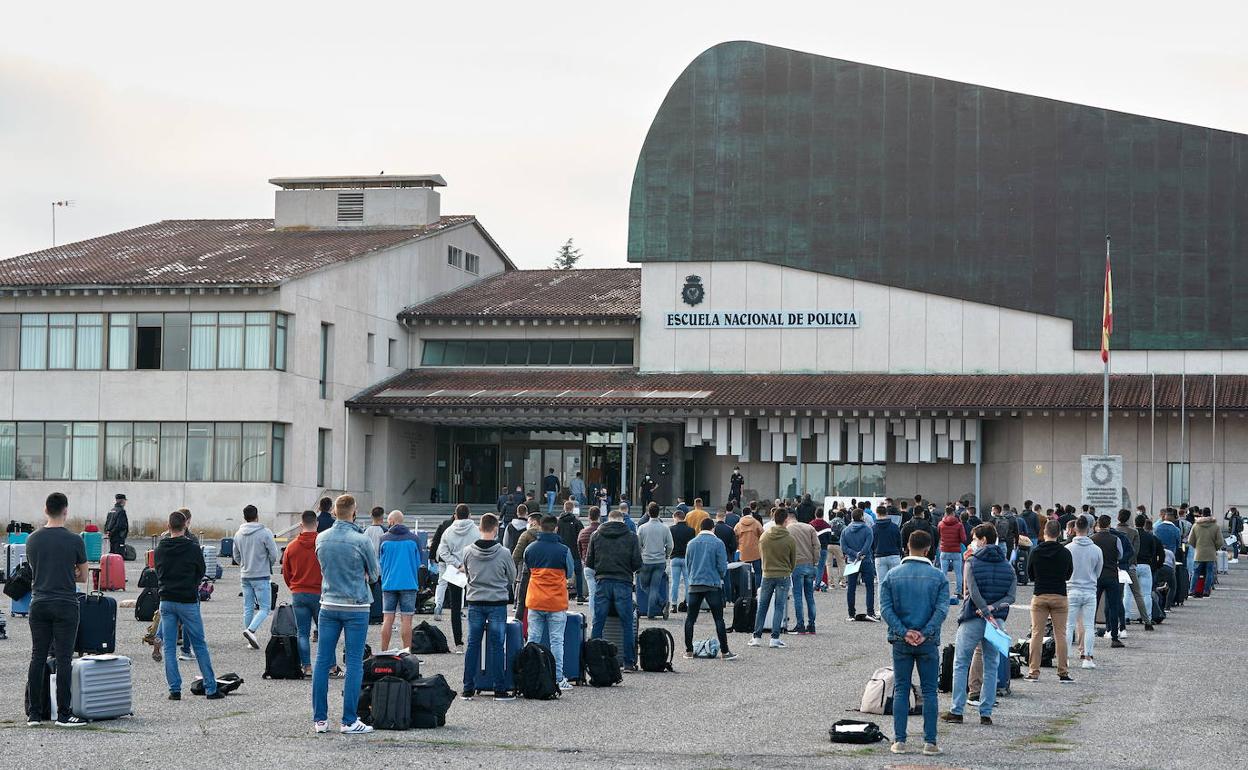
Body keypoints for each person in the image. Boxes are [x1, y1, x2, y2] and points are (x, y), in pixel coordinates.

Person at [312, 494, 379, 734]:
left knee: (322, 661)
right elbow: (374, 574)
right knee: (353, 663)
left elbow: (323, 567)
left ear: (333, 512)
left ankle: (320, 720)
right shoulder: (361, 540)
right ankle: (349, 720)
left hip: (328, 603)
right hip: (356, 606)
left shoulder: (321, 538)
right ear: (354, 512)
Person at [880, 529, 948, 756]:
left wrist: (904, 631)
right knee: (929, 692)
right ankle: (930, 742)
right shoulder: (938, 577)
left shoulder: (892, 576)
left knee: (901, 689)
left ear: (907, 545)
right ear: (929, 549)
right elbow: (941, 610)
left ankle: (900, 741)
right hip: (928, 641)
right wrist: (925, 632)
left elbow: (886, 610)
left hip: (901, 640)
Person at [24, 493, 90, 726]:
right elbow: (83, 576)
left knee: (37, 656)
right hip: (65, 603)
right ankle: (63, 713)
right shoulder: (75, 540)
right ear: (66, 511)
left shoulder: (32, 539)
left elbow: (36, 570)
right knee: (64, 659)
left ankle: (34, 713)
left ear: (45, 510)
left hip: (39, 602)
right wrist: (70, 571)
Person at [942, 523, 1016, 726]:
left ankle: (957, 710)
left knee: (961, 662)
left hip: (973, 617)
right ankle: (986, 712)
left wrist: (983, 610)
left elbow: (972, 593)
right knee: (991, 665)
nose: (972, 542)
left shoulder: (971, 562)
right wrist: (993, 609)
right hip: (996, 622)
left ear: (983, 540)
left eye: (974, 538)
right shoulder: (1007, 566)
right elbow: (1011, 596)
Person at [155, 510, 222, 701]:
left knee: (169, 646)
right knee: (199, 644)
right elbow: (201, 571)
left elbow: (158, 571)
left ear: (168, 527)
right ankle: (210, 688)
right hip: (187, 600)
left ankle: (174, 689)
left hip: (166, 600)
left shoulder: (160, 548)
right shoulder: (192, 548)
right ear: (185, 526)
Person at [461, 513, 518, 700]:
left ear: (480, 528)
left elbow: (467, 575)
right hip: (497, 602)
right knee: (496, 645)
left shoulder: (468, 551)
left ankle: (468, 687)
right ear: (496, 529)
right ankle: (499, 688)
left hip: (475, 601)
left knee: (472, 644)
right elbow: (512, 577)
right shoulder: (504, 553)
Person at [524, 515, 576, 691]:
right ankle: (558, 678)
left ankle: (529, 675)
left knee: (533, 639)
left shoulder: (530, 548)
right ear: (555, 529)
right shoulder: (564, 550)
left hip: (535, 599)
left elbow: (528, 567)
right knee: (556, 642)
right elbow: (569, 573)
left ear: (540, 528)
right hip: (556, 601)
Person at [586, 508, 643, 671]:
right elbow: (637, 563)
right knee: (626, 623)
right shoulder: (632, 536)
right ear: (622, 520)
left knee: (598, 622)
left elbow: (589, 562)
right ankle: (628, 662)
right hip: (623, 582)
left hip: (602, 582)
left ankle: (593, 660)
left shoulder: (596, 535)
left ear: (608, 519)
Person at [1022, 520, 1074, 682]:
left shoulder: (1036, 551)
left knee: (1037, 633)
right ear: (1059, 533)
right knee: (1061, 634)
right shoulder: (1065, 552)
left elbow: (1030, 575)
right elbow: (1068, 575)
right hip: (1059, 595)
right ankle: (1063, 672)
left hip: (1040, 595)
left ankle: (1033, 672)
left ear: (1044, 532)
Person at [683, 519, 738, 661]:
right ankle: (725, 652)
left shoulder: (691, 543)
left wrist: (693, 577)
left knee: (690, 619)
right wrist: (719, 576)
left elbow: (688, 564)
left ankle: (689, 651)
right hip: (712, 584)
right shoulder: (718, 543)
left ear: (700, 528)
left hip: (695, 584)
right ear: (713, 528)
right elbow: (722, 566)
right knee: (718, 619)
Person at [283, 510, 328, 676]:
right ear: (316, 524)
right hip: (320, 592)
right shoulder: (323, 543)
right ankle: (330, 666)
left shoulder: (291, 546)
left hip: (298, 592)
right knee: (325, 632)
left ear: (301, 525)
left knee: (302, 632)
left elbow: (286, 572)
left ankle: (307, 667)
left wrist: (294, 587)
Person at [749, 508, 797, 648]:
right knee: (779, 607)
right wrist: (788, 570)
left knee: (762, 606)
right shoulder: (789, 539)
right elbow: (792, 560)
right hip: (783, 574)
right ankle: (774, 638)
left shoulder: (765, 537)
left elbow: (761, 555)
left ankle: (757, 637)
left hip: (767, 574)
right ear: (785, 520)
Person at [234, 504, 280, 650]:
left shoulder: (238, 534)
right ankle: (251, 630)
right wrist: (267, 564)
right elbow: (274, 554)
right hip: (261, 574)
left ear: (244, 517)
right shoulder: (265, 532)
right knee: (265, 608)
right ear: (257, 515)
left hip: (245, 574)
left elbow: (236, 556)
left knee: (248, 607)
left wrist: (244, 564)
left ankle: (250, 639)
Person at [437, 504, 481, 653]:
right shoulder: (476, 530)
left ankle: (458, 643)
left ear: (455, 515)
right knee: (475, 605)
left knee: (455, 607)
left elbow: (442, 551)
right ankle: (475, 640)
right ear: (469, 515)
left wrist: (456, 563)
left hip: (455, 571)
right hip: (473, 570)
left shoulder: (448, 531)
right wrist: (468, 564)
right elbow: (480, 548)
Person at [379, 511, 422, 651]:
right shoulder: (414, 539)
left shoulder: (384, 539)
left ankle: (383, 651)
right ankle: (407, 653)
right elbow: (419, 562)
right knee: (407, 620)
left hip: (389, 583)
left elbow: (381, 561)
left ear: (391, 521)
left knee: (387, 619)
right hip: (409, 583)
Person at [1065, 515, 1103, 668]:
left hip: (1071, 589)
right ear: (1089, 529)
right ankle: (1088, 658)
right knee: (1088, 626)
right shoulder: (1096, 550)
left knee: (1069, 626)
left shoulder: (1067, 549)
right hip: (1089, 591)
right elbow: (1098, 572)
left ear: (1074, 529)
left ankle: (1065, 658)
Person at [1090, 515, 1125, 649]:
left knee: (1093, 605)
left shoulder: (1092, 539)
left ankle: (1089, 633)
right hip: (1111, 575)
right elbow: (1120, 555)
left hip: (1096, 576)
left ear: (1098, 524)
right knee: (1113, 606)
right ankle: (1115, 637)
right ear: (1109, 524)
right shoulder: (1116, 539)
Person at [841, 508, 878, 622]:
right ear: (862, 517)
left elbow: (844, 547)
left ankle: (851, 614)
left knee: (851, 588)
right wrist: (860, 554)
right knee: (869, 587)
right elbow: (868, 545)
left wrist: (854, 554)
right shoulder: (868, 530)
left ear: (852, 517)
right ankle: (870, 612)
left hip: (852, 561)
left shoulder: (845, 531)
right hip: (866, 560)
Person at [786, 512, 820, 635]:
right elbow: (817, 546)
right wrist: (815, 561)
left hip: (796, 565)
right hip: (810, 564)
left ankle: (800, 625)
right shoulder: (809, 527)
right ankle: (812, 625)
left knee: (798, 596)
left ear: (788, 519)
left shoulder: (788, 529)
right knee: (810, 596)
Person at [937, 505, 968, 604]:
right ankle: (958, 592)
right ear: (953, 513)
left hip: (944, 550)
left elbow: (939, 536)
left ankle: (943, 592)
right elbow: (963, 539)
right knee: (958, 573)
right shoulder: (959, 525)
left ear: (945, 513)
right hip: (956, 551)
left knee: (943, 573)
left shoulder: (941, 524)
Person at [1188, 511, 1223, 598]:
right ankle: (1206, 591)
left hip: (1199, 553)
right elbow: (1220, 541)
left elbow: (1190, 540)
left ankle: (1192, 590)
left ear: (1202, 514)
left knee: (1195, 572)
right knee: (1209, 573)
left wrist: (1196, 546)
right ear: (1210, 514)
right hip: (1211, 553)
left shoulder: (1196, 525)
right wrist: (1215, 548)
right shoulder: (1216, 526)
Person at [556, 501, 586, 603]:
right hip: (575, 551)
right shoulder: (577, 522)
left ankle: (561, 594)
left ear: (564, 508)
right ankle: (580, 595)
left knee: (561, 574)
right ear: (573, 509)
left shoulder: (558, 522)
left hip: (561, 551)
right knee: (578, 573)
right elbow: (581, 537)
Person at [668, 509, 696, 612]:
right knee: (688, 582)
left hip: (675, 557)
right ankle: (688, 604)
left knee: (675, 582)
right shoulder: (691, 530)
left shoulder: (671, 529)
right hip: (686, 558)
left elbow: (669, 544)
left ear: (676, 517)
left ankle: (674, 605)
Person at [578, 507, 602, 618]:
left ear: (588, 517)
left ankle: (593, 617)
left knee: (592, 593)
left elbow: (579, 549)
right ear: (599, 516)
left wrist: (583, 559)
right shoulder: (602, 531)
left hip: (588, 565)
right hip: (601, 565)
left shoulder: (582, 532)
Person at [734, 506, 764, 587]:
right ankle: (758, 590)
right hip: (756, 552)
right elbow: (762, 535)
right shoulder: (756, 523)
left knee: (744, 573)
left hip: (743, 552)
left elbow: (735, 538)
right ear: (751, 513)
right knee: (758, 572)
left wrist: (738, 547)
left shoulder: (738, 525)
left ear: (743, 514)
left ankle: (745, 591)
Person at [873, 512, 904, 586]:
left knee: (881, 583)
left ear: (877, 514)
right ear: (886, 514)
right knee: (895, 583)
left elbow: (872, 544)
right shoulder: (895, 527)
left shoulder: (873, 528)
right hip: (894, 555)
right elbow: (899, 542)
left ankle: (882, 598)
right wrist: (899, 552)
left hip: (879, 556)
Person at [104, 492, 129, 556]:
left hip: (111, 536)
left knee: (112, 554)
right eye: (125, 500)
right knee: (119, 555)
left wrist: (108, 532)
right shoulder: (121, 511)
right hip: (119, 536)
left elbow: (107, 523)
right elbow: (120, 525)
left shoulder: (111, 510)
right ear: (122, 501)